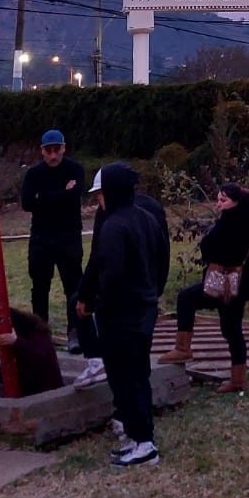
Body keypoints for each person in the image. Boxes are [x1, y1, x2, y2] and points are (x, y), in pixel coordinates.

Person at [77, 162, 167, 469]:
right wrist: (154, 292)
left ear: (111, 192)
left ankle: (144, 444)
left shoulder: (113, 226)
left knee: (126, 378)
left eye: (99, 193)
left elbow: (110, 272)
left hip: (121, 314)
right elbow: (162, 258)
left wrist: (96, 303)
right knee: (139, 374)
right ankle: (138, 436)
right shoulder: (147, 218)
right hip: (145, 308)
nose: (97, 200)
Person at [159, 183, 249, 396]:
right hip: (234, 287)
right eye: (218, 199)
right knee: (231, 330)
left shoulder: (234, 224)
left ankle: (183, 349)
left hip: (227, 286)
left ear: (236, 203)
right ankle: (238, 380)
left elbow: (212, 249)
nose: (218, 204)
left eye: (223, 200)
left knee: (187, 299)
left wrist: (212, 236)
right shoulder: (243, 221)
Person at [21, 129, 85, 352]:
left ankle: (74, 332)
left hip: (69, 236)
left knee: (74, 286)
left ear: (63, 148)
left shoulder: (75, 169)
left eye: (57, 150)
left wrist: (44, 197)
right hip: (41, 238)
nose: (53, 155)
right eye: (49, 151)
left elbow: (76, 195)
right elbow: (27, 203)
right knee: (39, 287)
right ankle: (40, 333)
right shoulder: (34, 174)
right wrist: (61, 194)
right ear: (42, 152)